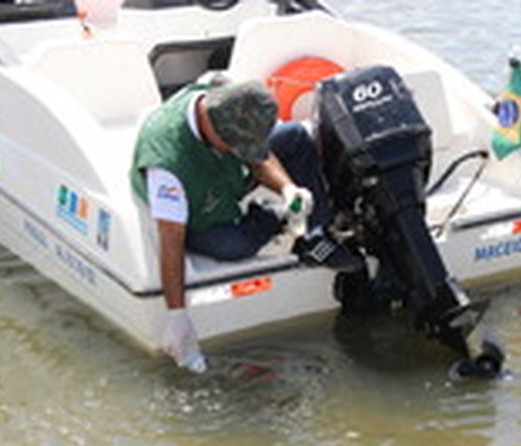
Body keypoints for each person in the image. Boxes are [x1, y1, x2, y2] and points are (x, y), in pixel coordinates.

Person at [130, 79, 360, 373]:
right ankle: (272, 217)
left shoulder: (223, 95)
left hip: (225, 173)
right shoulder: (167, 166)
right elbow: (171, 240)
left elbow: (260, 155)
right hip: (196, 201)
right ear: (211, 127)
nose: (248, 151)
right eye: (239, 145)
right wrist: (177, 315)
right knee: (235, 245)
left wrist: (288, 187)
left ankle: (313, 235)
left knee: (295, 136)